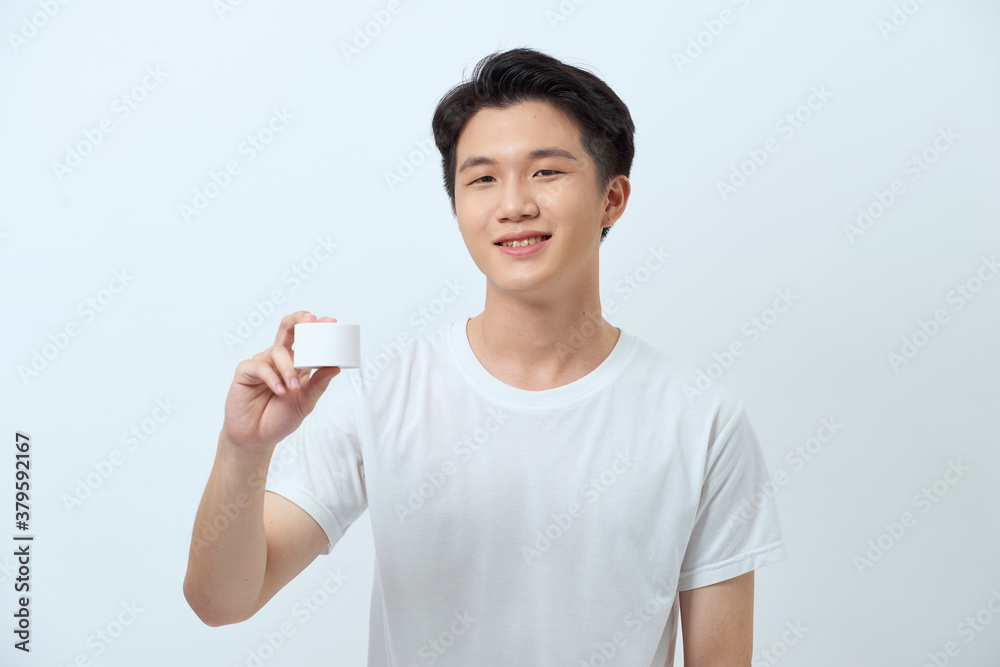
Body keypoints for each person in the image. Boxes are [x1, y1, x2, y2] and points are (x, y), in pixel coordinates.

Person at [184, 46, 788, 666]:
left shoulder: (701, 422)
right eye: (482, 179)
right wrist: (244, 449)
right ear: (457, 206)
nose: (513, 204)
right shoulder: (383, 395)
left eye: (547, 172)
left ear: (612, 198)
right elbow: (221, 601)